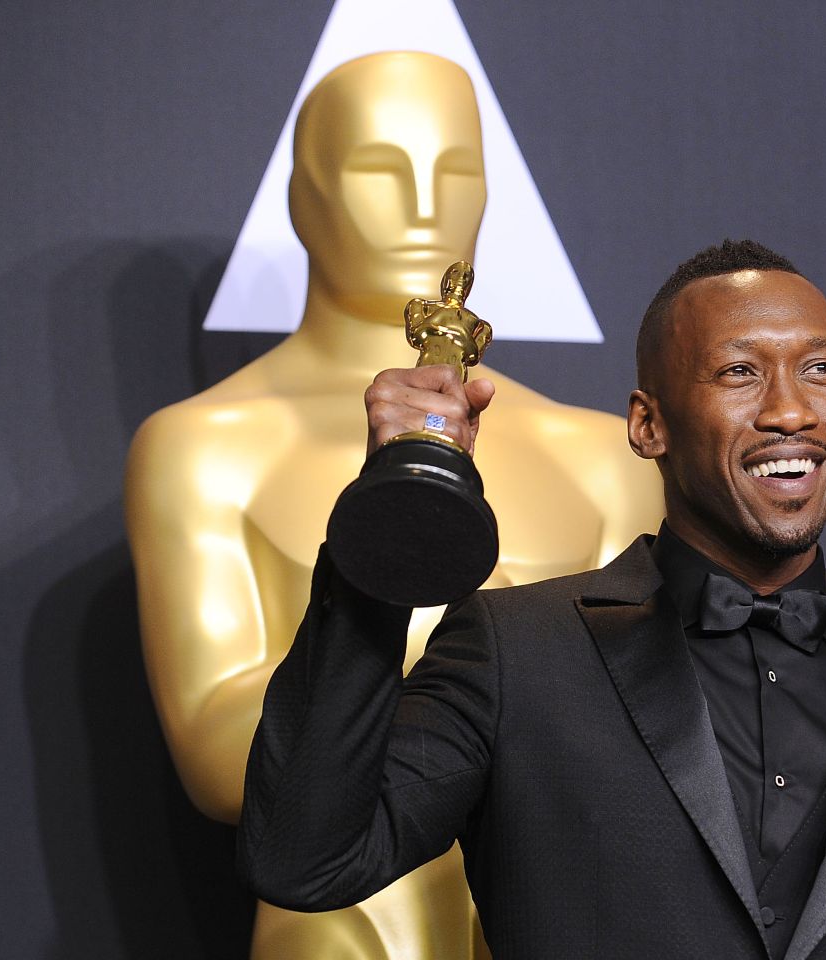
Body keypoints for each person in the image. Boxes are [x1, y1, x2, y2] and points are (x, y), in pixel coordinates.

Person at [239, 240, 826, 959]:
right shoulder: (517, 652)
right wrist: (389, 530)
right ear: (647, 425)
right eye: (739, 372)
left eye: (819, 369)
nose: (790, 410)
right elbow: (305, 857)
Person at [125, 52, 661, 958]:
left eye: (457, 173)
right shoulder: (204, 448)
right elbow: (222, 763)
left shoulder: (603, 457)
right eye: (379, 169)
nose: (425, 207)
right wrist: (461, 640)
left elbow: (657, 740)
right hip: (343, 924)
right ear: (304, 197)